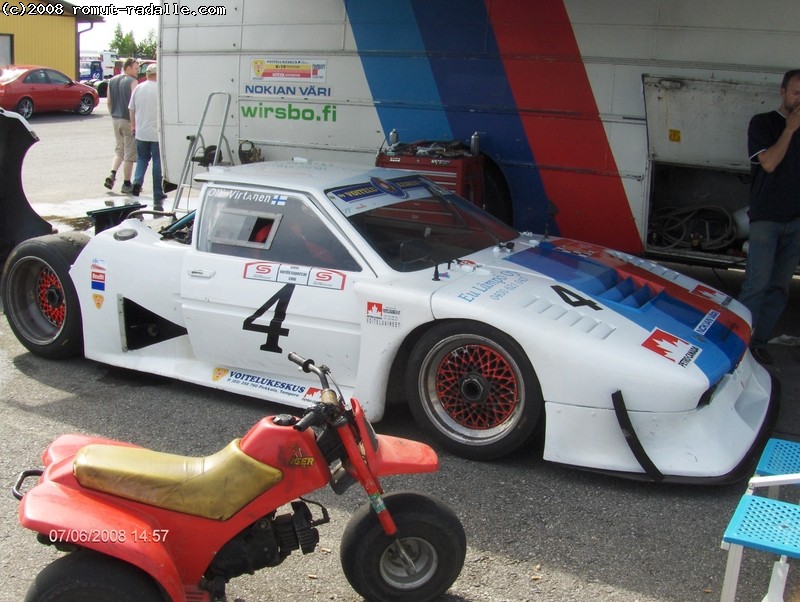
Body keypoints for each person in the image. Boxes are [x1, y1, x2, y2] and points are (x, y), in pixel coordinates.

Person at [739, 68, 800, 365]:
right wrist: (789, 129)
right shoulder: (763, 123)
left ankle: (759, 342)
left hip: (796, 219)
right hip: (767, 217)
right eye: (796, 93)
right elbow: (770, 163)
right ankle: (739, 345)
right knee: (757, 284)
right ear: (783, 92)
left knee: (779, 287)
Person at [128, 62, 167, 210]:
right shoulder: (160, 89)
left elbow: (131, 109)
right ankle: (157, 192)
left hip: (141, 132)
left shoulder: (138, 88)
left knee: (142, 159)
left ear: (147, 74)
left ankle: (137, 181)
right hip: (156, 133)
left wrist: (133, 126)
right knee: (157, 161)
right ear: (158, 74)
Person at [104, 58, 138, 195]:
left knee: (119, 150)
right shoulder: (132, 82)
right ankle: (126, 183)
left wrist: (113, 114)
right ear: (128, 68)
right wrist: (135, 122)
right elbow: (135, 103)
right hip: (128, 120)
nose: (137, 71)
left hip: (116, 119)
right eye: (135, 68)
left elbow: (108, 101)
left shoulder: (112, 81)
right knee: (130, 153)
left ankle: (112, 173)